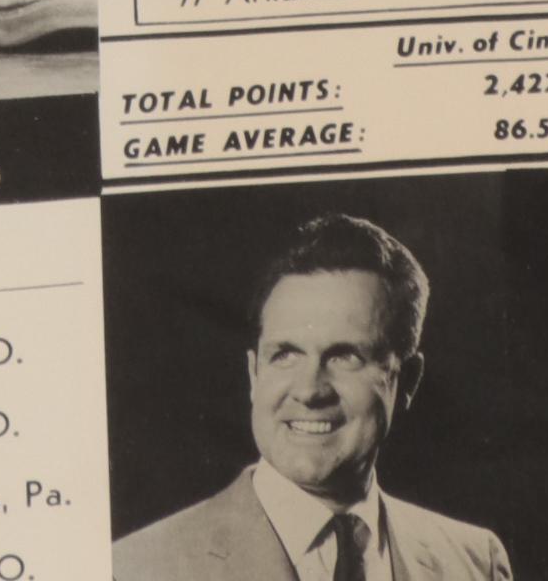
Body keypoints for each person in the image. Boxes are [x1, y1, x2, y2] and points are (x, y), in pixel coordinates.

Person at [113, 217, 512, 581]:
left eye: (345, 356)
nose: (308, 391)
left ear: (406, 380)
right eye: (285, 355)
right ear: (254, 373)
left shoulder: (474, 561)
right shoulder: (135, 568)